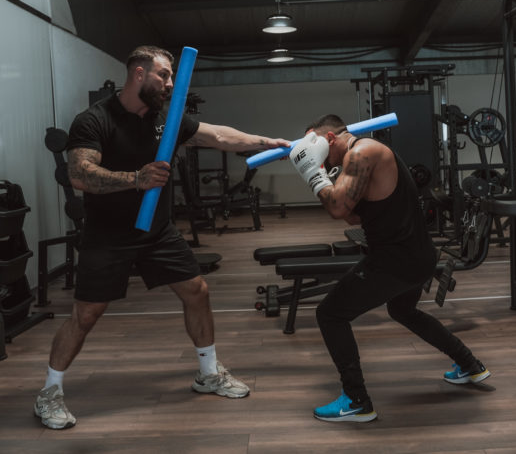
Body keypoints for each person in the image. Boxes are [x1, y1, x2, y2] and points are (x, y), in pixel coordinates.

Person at [34, 45, 289, 430]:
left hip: (156, 232)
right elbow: (80, 174)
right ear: (138, 73)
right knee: (86, 315)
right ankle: (49, 393)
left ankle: (207, 373)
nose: (170, 83)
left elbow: (215, 135)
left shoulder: (163, 117)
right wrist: (136, 179)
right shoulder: (94, 119)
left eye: (171, 75)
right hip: (109, 235)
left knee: (197, 290)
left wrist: (265, 142)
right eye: (164, 75)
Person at [288, 114, 490, 423]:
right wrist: (326, 177)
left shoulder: (362, 153)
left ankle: (357, 401)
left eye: (313, 148)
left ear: (328, 140)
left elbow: (338, 208)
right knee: (403, 310)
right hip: (417, 256)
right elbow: (353, 217)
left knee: (329, 314)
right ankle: (471, 365)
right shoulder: (356, 159)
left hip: (395, 261)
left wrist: (313, 172)